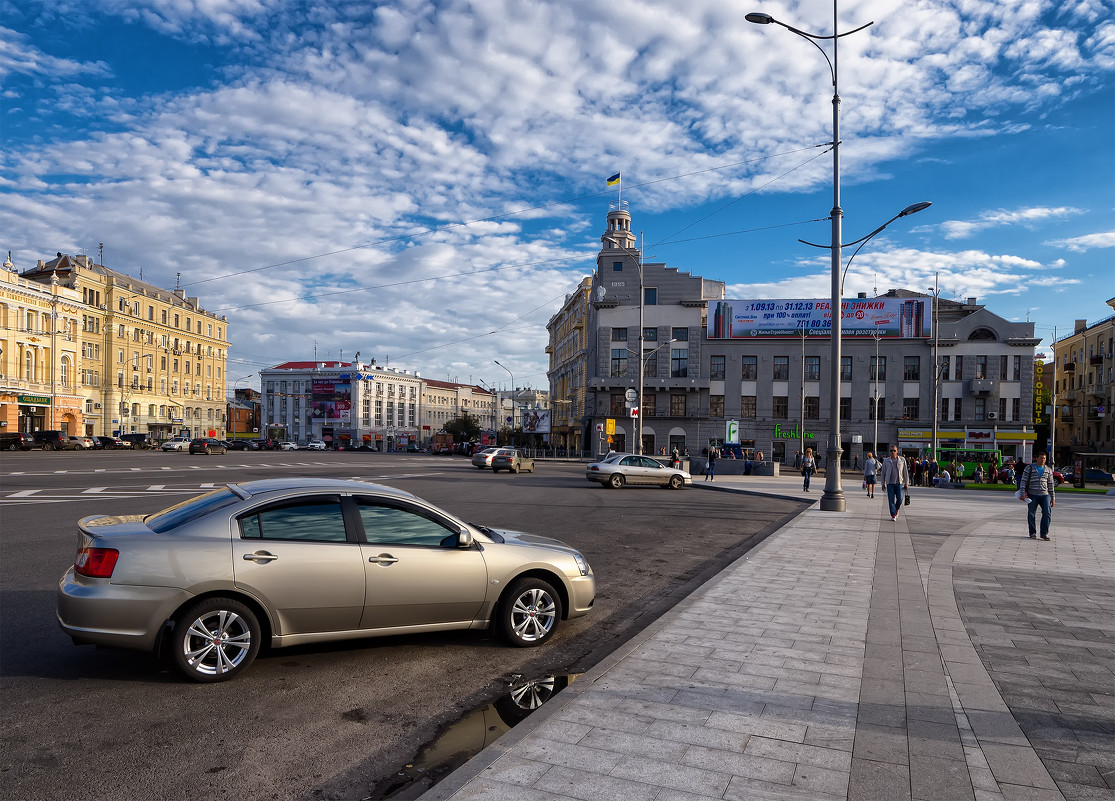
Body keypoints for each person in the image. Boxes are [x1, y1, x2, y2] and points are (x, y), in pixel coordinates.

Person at [1019, 451, 1056, 540]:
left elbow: (1051, 484)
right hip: (1033, 494)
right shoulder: (1029, 468)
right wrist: (1022, 493)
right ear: (1036, 458)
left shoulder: (1048, 470)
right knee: (1031, 514)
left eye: (1044, 458)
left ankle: (1044, 533)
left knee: (1047, 513)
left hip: (1045, 495)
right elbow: (1023, 481)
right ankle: (1032, 532)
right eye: (1040, 458)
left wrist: (1053, 498)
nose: (1042, 460)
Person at [881, 446, 910, 521]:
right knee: (891, 500)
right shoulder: (886, 461)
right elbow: (883, 473)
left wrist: (906, 482)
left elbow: (905, 472)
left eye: (894, 450)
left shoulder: (902, 460)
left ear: (897, 451)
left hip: (899, 483)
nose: (892, 452)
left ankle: (896, 509)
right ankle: (893, 515)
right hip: (890, 483)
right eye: (891, 451)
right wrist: (883, 484)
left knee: (900, 498)